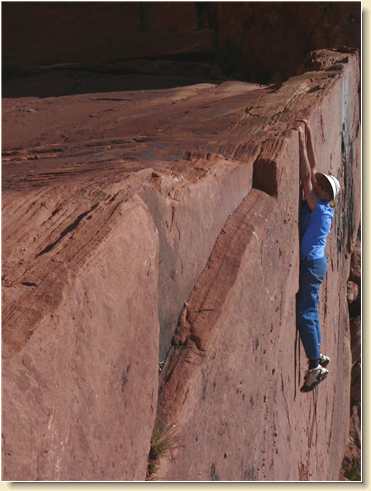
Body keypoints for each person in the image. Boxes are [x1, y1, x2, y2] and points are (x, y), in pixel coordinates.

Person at [297, 120, 341, 393]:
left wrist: (300, 142)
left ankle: (315, 364)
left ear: (326, 194)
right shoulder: (324, 206)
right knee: (309, 310)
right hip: (316, 263)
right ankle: (319, 356)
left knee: (306, 313)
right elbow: (312, 170)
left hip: (313, 264)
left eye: (322, 184)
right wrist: (307, 131)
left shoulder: (320, 207)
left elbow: (305, 177)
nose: (318, 183)